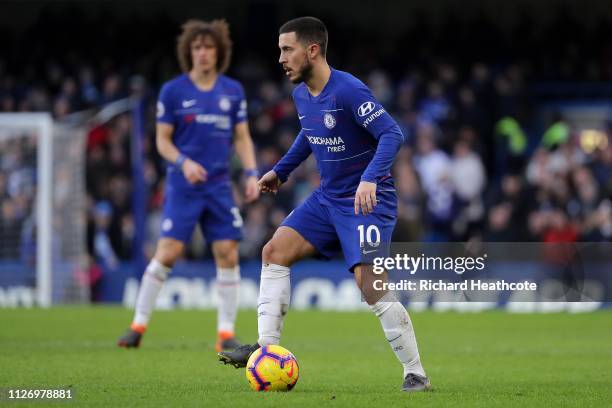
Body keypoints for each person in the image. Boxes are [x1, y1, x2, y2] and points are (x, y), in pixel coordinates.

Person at [218, 17, 430, 392]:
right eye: (280, 50)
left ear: (312, 50)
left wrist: (369, 177)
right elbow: (310, 131)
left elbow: (392, 134)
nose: (280, 58)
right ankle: (266, 350)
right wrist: (280, 171)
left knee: (371, 285)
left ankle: (415, 373)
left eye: (287, 49)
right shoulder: (302, 94)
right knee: (274, 251)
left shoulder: (349, 90)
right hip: (327, 198)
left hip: (366, 203)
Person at [118, 19, 259, 351]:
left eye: (209, 47)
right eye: (197, 47)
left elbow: (242, 137)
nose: (203, 53)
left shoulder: (232, 91)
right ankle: (137, 325)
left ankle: (225, 334)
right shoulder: (173, 91)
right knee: (169, 252)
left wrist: (252, 172)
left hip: (219, 185)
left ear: (218, 52)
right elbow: (162, 142)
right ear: (188, 52)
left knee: (228, 253)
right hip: (183, 185)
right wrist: (184, 162)